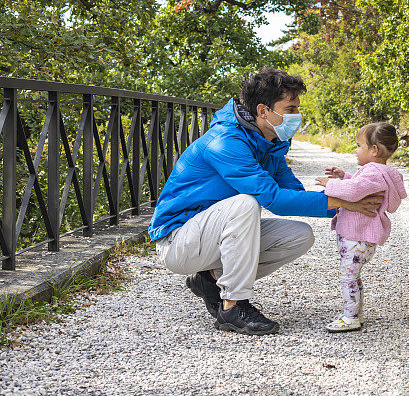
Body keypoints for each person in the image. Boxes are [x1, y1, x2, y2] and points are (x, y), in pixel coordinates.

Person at [148, 68, 383, 336]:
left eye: (297, 108)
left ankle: (210, 280)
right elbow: (273, 199)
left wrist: (348, 201)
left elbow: (291, 192)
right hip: (178, 241)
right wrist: (342, 202)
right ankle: (233, 307)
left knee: (300, 235)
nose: (296, 115)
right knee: (246, 203)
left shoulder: (269, 144)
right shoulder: (225, 142)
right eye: (290, 108)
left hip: (207, 237)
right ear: (263, 111)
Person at [315, 122, 408, 332]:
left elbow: (355, 190)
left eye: (359, 146)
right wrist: (344, 176)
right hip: (359, 239)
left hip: (357, 237)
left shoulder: (374, 172)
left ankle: (351, 317)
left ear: (374, 150)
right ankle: (355, 313)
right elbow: (359, 185)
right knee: (352, 276)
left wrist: (329, 184)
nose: (355, 150)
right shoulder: (377, 172)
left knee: (348, 276)